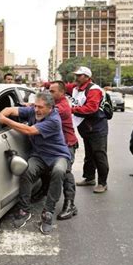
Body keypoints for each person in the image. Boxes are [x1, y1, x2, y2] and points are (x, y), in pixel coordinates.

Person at [0, 92, 71, 234]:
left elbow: (29, 130)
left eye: (41, 107)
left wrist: (6, 121)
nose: (36, 110)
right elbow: (13, 110)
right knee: (27, 171)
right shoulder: (34, 110)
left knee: (58, 172)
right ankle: (24, 210)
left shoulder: (54, 120)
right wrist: (3, 113)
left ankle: (48, 211)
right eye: (35, 106)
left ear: (50, 107)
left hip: (58, 155)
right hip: (39, 155)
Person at [69, 66, 109, 193]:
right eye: (76, 75)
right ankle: (89, 178)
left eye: (79, 75)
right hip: (86, 127)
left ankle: (103, 183)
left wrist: (72, 110)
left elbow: (91, 108)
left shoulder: (94, 90)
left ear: (87, 77)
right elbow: (63, 87)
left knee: (99, 154)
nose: (76, 77)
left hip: (97, 128)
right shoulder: (77, 89)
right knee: (89, 154)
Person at [49, 81, 79, 220]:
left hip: (67, 144)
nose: (49, 94)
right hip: (55, 145)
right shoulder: (55, 103)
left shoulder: (61, 107)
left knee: (66, 171)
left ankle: (70, 204)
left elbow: (45, 112)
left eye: (52, 92)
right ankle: (44, 191)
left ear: (61, 93)